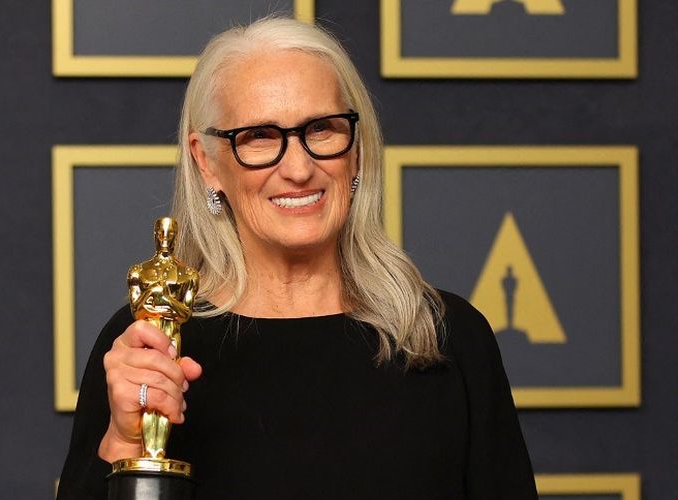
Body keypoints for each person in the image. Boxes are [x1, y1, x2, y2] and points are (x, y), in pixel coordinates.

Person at [57, 16, 538, 500]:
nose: (299, 168)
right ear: (206, 161)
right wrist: (124, 440)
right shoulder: (154, 343)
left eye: (322, 129)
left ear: (357, 147)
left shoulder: (447, 337)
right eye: (260, 136)